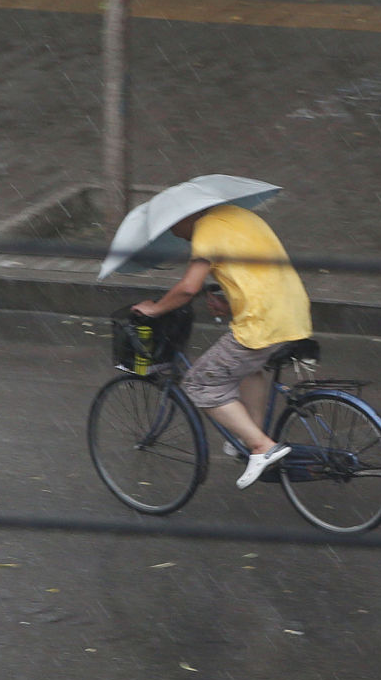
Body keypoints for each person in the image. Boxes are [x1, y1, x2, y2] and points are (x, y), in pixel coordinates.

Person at [132, 203, 312, 489]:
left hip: (261, 322)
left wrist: (155, 309)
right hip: (292, 312)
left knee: (199, 384)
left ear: (187, 214)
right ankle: (252, 436)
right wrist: (229, 302)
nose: (175, 234)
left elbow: (188, 287)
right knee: (250, 368)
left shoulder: (206, 231)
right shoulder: (240, 216)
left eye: (173, 225)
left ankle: (261, 446)